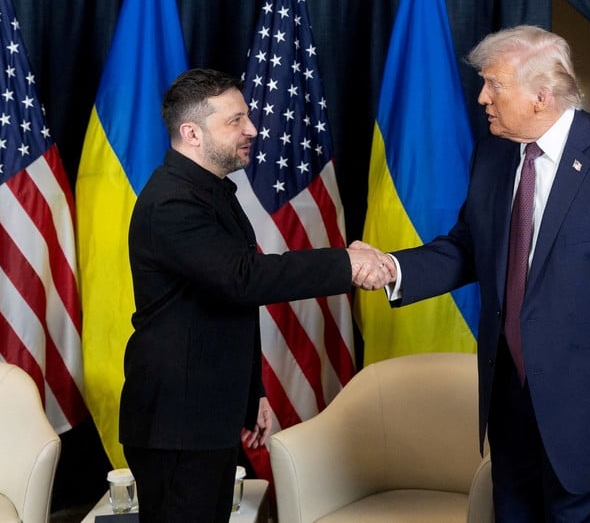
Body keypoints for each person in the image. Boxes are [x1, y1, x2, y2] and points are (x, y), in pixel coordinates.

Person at [355, 25, 590, 521]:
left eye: (494, 84)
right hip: (511, 404)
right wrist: (393, 268)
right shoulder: (492, 155)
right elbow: (469, 247)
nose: (482, 97)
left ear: (541, 95)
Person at [120, 68, 389, 522]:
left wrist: (252, 393)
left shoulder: (210, 191)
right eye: (235, 120)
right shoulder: (172, 202)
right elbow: (243, 278)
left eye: (246, 117)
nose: (252, 129)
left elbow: (226, 304)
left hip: (206, 411)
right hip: (178, 422)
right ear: (191, 133)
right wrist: (346, 263)